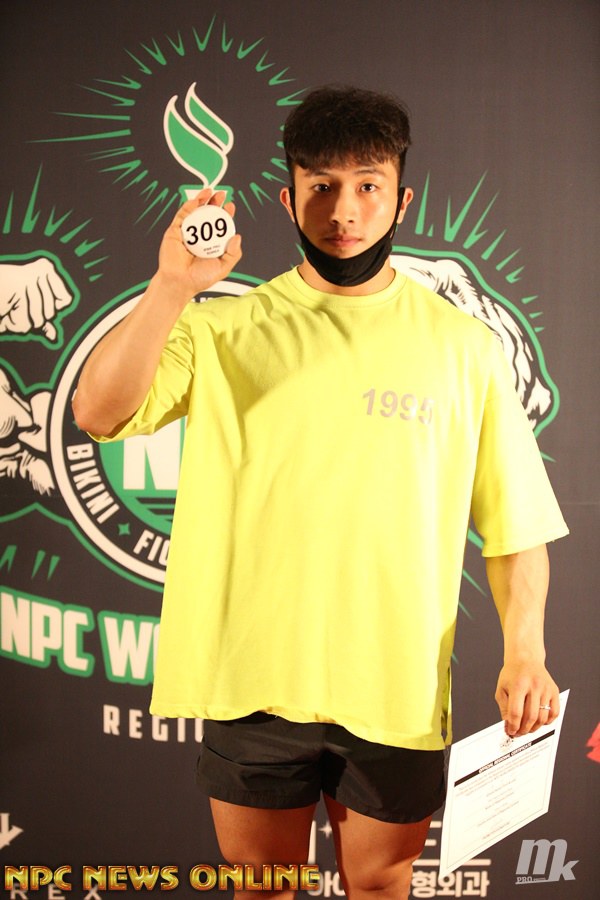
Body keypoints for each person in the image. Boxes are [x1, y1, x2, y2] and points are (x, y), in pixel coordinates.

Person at [73, 86, 568, 899]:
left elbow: (516, 525)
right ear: (288, 197)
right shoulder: (222, 328)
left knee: (380, 884)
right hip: (252, 681)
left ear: (402, 199)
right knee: (263, 887)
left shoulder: (464, 347)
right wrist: (170, 288)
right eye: (321, 185)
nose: (344, 210)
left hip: (396, 684)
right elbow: (97, 412)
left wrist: (527, 652)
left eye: (368, 185)